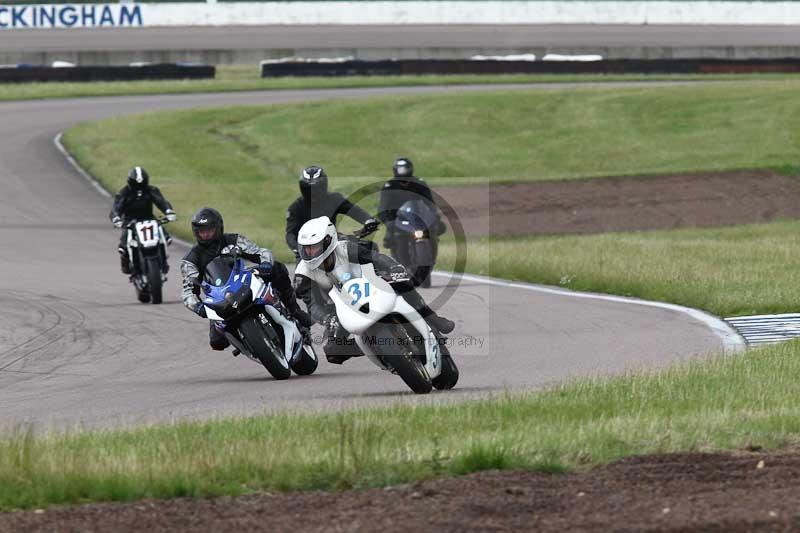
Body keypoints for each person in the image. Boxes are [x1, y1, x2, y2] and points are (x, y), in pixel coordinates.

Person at [294, 216, 455, 364]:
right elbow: (313, 305)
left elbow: (377, 259)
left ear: (329, 240)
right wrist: (327, 319)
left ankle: (433, 319)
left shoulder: (345, 248)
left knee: (402, 283)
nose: (310, 253)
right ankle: (379, 350)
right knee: (332, 351)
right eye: (306, 249)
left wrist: (394, 268)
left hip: (369, 284)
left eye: (314, 247)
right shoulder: (303, 275)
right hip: (338, 309)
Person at [181, 207, 315, 351]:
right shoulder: (191, 260)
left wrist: (265, 264)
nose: (206, 234)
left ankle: (294, 310)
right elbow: (188, 291)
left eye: (209, 230)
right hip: (219, 299)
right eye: (202, 231)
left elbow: (260, 252)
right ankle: (246, 341)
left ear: (219, 227)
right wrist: (198, 307)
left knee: (277, 268)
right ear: (196, 232)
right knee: (217, 342)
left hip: (243, 283)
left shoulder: (234, 239)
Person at [285, 165, 379, 260]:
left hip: (332, 242)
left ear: (323, 186)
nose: (313, 193)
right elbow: (290, 234)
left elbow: (354, 211)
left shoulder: (334, 199)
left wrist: (368, 220)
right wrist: (298, 249)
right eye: (308, 190)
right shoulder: (296, 208)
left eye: (317, 189)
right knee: (301, 272)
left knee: (370, 248)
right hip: (308, 249)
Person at [377, 157, 445, 285]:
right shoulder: (389, 185)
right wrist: (388, 220)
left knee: (435, 231)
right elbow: (383, 207)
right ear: (395, 170)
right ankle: (402, 264)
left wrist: (434, 215)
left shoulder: (419, 183)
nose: (402, 172)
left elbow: (429, 202)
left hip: (418, 218)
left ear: (410, 169)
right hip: (399, 220)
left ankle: (429, 257)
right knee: (391, 237)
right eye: (400, 169)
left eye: (405, 169)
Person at [110, 166, 176, 274]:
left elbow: (161, 202)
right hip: (130, 222)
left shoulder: (151, 190)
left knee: (165, 236)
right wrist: (116, 218)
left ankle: (163, 260)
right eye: (136, 186)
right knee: (124, 245)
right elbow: (116, 208)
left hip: (149, 219)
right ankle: (125, 262)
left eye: (142, 185)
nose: (139, 189)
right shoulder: (123, 193)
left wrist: (168, 211)